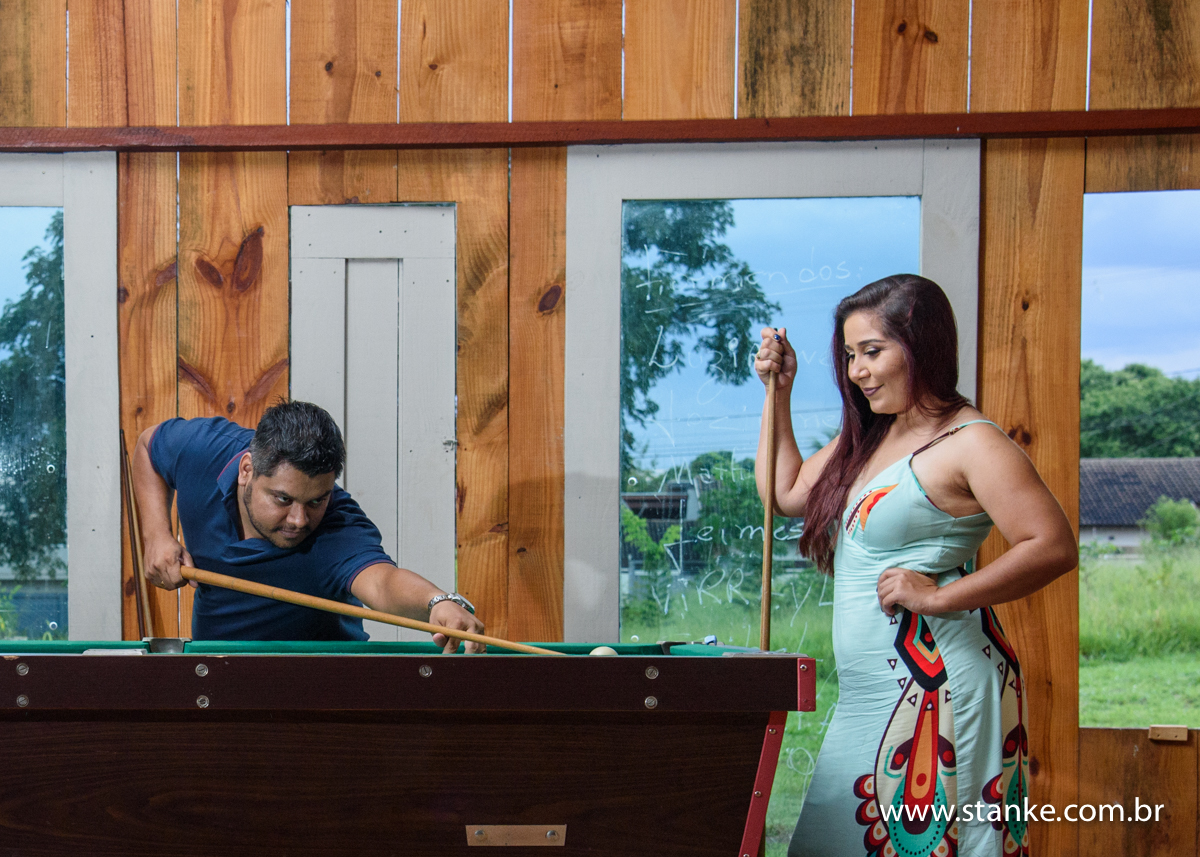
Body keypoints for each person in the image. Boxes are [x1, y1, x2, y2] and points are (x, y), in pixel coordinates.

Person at [754, 275, 1076, 856]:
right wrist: (779, 392)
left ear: (922, 344)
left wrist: (939, 597)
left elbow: (1051, 544)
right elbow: (786, 494)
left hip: (940, 686)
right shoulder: (874, 436)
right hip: (871, 688)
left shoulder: (972, 442)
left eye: (872, 352)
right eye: (851, 356)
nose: (857, 371)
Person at [132, 400, 485, 652]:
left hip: (320, 688)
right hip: (217, 676)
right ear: (246, 471)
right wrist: (157, 535)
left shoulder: (337, 527)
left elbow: (382, 581)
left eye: (316, 500)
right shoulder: (203, 451)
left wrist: (438, 602)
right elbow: (148, 445)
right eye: (283, 499)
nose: (300, 520)